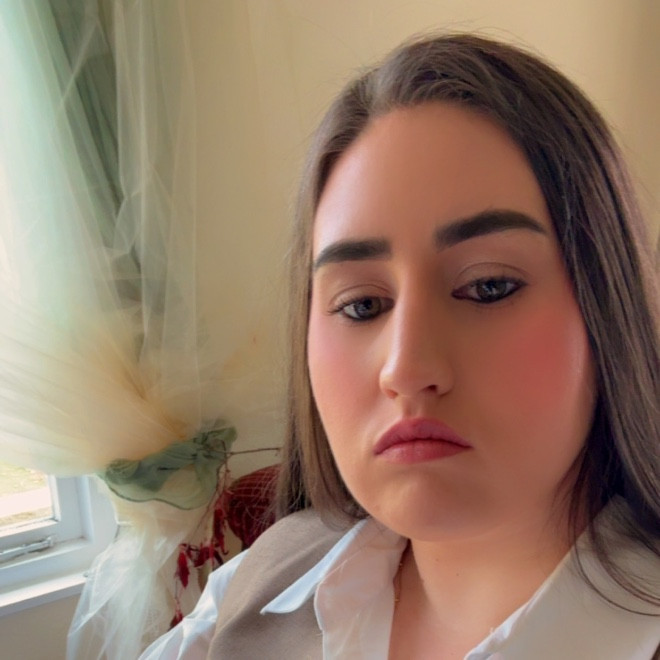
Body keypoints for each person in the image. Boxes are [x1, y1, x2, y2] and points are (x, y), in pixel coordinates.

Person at [141, 33, 659, 659]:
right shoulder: (263, 579)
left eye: (489, 286)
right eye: (362, 305)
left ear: (607, 310)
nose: (406, 368)